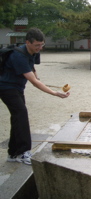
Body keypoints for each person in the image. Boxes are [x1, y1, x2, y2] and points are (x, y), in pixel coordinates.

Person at [0, 28, 70, 165]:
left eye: (42, 44)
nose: (40, 48)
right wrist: (55, 93)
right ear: (27, 42)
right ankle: (23, 152)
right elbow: (34, 82)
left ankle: (13, 153)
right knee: (21, 115)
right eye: (37, 45)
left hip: (18, 88)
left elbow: (32, 66)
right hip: (6, 87)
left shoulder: (34, 51)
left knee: (17, 118)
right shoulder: (18, 56)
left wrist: (36, 75)